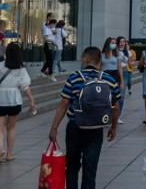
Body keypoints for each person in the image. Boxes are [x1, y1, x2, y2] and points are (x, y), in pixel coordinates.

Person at [48, 46, 120, 189]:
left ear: (84, 59)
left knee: (72, 167)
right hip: (96, 129)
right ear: (100, 61)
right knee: (90, 170)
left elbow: (63, 104)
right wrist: (113, 127)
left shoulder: (74, 77)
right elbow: (116, 107)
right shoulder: (109, 79)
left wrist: (54, 128)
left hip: (75, 128)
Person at [0, 42, 35, 166]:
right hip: (15, 100)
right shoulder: (21, 69)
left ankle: (0, 151)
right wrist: (31, 101)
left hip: (0, 100)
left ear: (6, 53)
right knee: (11, 128)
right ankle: (9, 154)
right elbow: (25, 87)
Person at [100, 38, 125, 124]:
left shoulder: (117, 55)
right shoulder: (102, 55)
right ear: (108, 44)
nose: (114, 44)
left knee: (115, 98)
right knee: (106, 98)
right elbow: (100, 67)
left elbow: (120, 68)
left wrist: (122, 81)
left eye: (115, 43)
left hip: (115, 76)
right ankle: (106, 116)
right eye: (112, 43)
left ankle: (115, 117)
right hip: (105, 76)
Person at [116, 36, 133, 108]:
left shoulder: (128, 52)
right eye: (120, 41)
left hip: (124, 71)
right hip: (115, 72)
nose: (122, 43)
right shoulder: (114, 51)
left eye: (124, 41)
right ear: (118, 43)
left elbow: (130, 63)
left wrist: (130, 62)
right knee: (114, 94)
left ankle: (118, 113)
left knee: (122, 95)